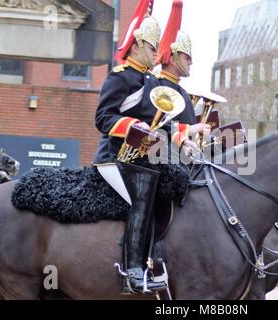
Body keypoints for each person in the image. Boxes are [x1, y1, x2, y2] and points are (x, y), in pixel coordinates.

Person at [93, 0, 189, 294]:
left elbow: (158, 122)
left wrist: (183, 135)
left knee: (172, 183)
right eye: (151, 48)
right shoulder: (120, 77)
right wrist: (132, 127)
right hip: (113, 159)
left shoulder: (149, 82)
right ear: (136, 45)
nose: (155, 54)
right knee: (144, 190)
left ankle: (157, 258)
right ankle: (132, 270)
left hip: (141, 159)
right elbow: (103, 118)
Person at [156, 0, 210, 148]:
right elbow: (158, 127)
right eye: (187, 58)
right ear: (173, 59)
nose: (190, 63)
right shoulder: (160, 87)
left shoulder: (178, 89)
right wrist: (190, 130)